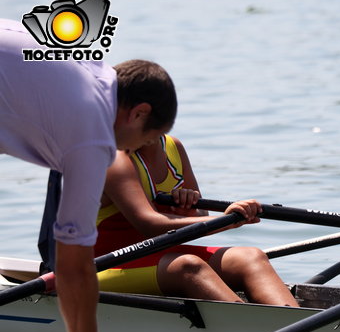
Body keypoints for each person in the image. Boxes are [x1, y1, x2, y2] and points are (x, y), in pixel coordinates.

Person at [0, 18, 178, 332]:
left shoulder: (87, 64)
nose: (138, 149)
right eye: (148, 140)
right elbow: (74, 263)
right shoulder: (93, 132)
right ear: (139, 113)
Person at [94, 128, 298, 306]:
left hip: (160, 258)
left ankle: (294, 328)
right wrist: (229, 221)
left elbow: (201, 215)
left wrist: (189, 212)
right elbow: (149, 224)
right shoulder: (113, 157)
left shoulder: (173, 147)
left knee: (250, 257)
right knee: (188, 266)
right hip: (99, 266)